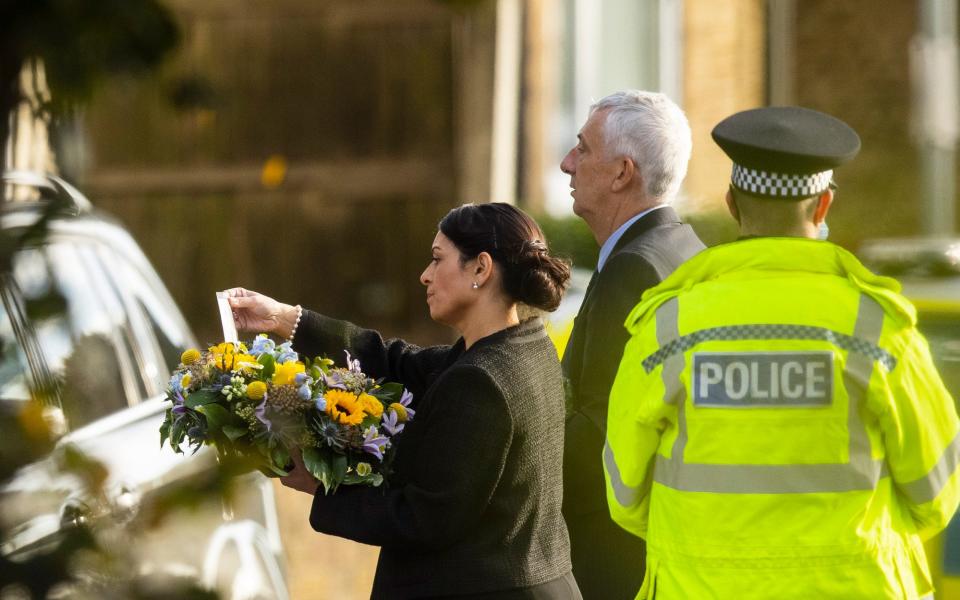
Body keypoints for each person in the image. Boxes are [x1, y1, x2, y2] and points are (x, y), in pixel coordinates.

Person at [604, 106, 960, 598]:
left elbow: (624, 495)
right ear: (822, 208)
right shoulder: (876, 328)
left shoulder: (669, 327)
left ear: (731, 203)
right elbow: (937, 493)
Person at [227, 202, 583, 600]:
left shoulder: (480, 380)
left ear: (481, 269)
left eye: (437, 260)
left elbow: (426, 519)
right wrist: (283, 318)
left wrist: (322, 486)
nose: (424, 276)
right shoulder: (523, 348)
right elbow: (396, 363)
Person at [557, 90, 704, 598]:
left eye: (583, 149)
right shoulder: (684, 248)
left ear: (622, 173)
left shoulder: (633, 266)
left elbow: (598, 430)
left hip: (609, 559)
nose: (566, 163)